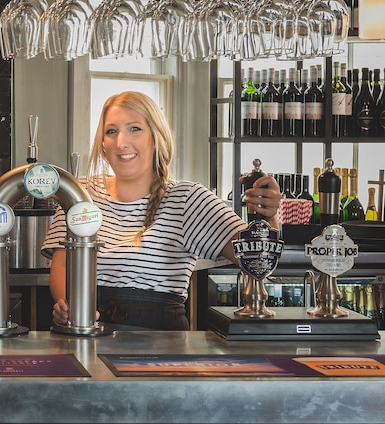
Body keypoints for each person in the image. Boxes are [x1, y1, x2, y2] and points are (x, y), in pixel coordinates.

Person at [43, 91, 281, 330]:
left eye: (134, 129)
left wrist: (269, 215)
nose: (121, 143)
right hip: (85, 335)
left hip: (160, 344)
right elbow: (62, 265)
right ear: (102, 143)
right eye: (111, 131)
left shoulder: (187, 198)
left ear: (156, 138)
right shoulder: (79, 194)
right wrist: (69, 306)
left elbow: (257, 259)